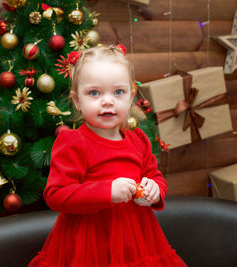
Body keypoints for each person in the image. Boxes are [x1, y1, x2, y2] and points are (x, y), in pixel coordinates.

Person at [29, 45, 187, 266]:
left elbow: (155, 176)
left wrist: (154, 190)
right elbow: (57, 194)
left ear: (131, 97)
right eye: (94, 93)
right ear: (77, 100)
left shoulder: (138, 140)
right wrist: (108, 192)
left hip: (137, 240)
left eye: (118, 92)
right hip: (88, 243)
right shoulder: (73, 142)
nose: (107, 101)